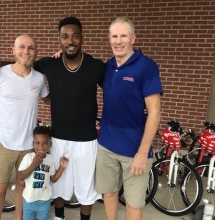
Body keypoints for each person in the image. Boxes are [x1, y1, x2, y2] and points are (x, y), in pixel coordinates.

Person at [0, 17, 104, 220]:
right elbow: (23, 63)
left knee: (87, 189)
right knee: (57, 185)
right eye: (65, 36)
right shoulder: (50, 64)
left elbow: (115, 87)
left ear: (82, 38)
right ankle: (59, 217)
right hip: (57, 137)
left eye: (75, 36)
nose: (70, 41)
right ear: (59, 40)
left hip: (86, 138)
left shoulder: (96, 66)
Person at [95, 17, 162, 220]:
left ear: (133, 38)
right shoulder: (107, 66)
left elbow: (155, 112)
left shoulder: (146, 66)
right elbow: (78, 66)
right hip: (106, 145)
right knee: (109, 193)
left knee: (134, 203)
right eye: (114, 36)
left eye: (123, 35)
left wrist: (142, 153)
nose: (118, 41)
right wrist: (61, 55)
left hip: (135, 150)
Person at [0, 34, 50, 220]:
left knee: (22, 187)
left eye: (31, 48)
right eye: (21, 47)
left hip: (28, 146)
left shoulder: (39, 79)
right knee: (0, 189)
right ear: (13, 50)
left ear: (36, 52)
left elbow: (49, 100)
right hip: (4, 143)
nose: (26, 52)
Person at [18, 126, 68, 220]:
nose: (41, 147)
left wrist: (62, 167)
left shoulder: (50, 159)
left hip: (44, 201)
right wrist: (34, 164)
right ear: (33, 144)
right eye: (37, 143)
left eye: (45, 143)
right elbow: (21, 176)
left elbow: (53, 179)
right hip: (29, 200)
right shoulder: (28, 157)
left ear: (50, 145)